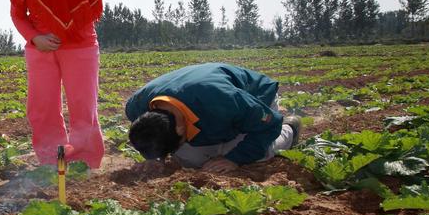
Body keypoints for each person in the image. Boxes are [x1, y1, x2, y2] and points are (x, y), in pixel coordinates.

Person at [10, 0, 105, 169]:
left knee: (83, 108)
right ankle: (53, 161)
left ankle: (86, 162)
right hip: (40, 49)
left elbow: (89, 2)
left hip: (80, 45)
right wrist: (34, 38)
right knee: (42, 108)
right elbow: (18, 14)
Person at [125, 63, 301, 173]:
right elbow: (154, 134)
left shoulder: (224, 100)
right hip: (202, 105)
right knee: (192, 161)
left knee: (257, 154)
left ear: (180, 128)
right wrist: (154, 159)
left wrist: (235, 159)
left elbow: (270, 124)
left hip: (256, 101)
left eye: (175, 146)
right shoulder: (136, 107)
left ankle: (290, 131)